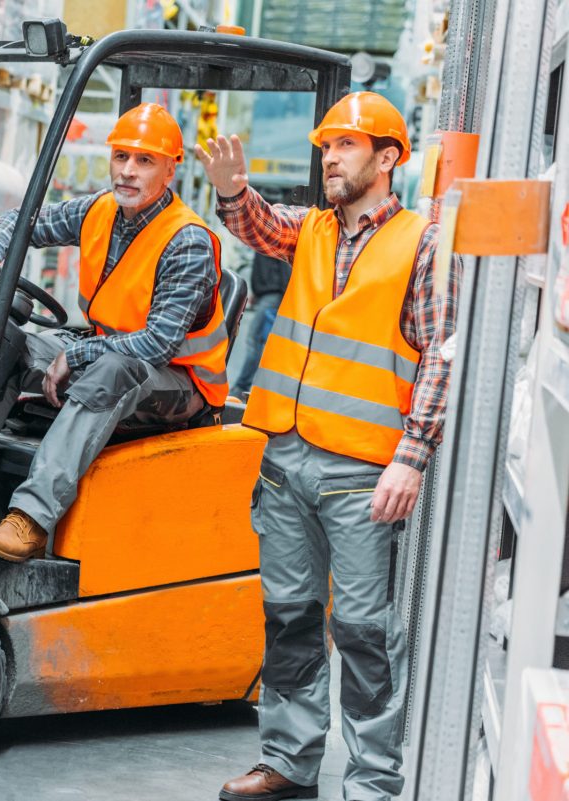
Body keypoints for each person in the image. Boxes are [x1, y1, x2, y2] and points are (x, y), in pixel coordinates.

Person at [195, 92, 460, 801]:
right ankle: (289, 760)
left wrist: (413, 454)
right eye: (324, 146)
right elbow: (261, 224)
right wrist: (231, 191)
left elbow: (441, 354)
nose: (329, 157)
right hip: (286, 461)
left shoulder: (423, 241)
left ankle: (373, 780)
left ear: (388, 157)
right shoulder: (312, 228)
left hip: (360, 471)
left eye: (344, 144)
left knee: (366, 632)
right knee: (288, 616)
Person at [0, 102, 229, 562]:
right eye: (121, 156)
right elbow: (24, 220)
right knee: (2, 341)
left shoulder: (187, 240)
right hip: (106, 351)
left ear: (170, 170)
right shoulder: (99, 210)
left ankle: (30, 519)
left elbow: (157, 344)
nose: (128, 170)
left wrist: (78, 357)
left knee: (112, 369)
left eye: (144, 160)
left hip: (180, 384)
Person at [231, 247, 291, 399]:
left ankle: (241, 387)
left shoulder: (274, 238)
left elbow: (285, 269)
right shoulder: (265, 239)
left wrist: (286, 297)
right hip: (268, 295)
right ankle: (254, 388)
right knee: (261, 342)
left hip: (273, 296)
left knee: (255, 341)